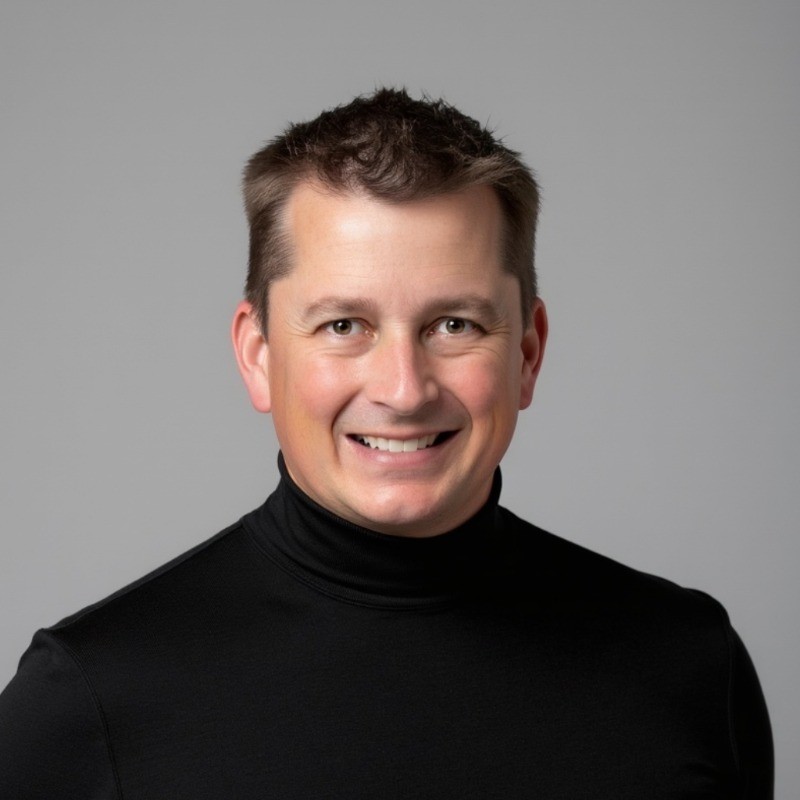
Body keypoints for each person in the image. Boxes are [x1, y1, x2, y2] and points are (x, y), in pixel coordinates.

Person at [0, 88, 772, 798]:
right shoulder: (91, 701)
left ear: (528, 352)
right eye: (345, 325)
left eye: (454, 324)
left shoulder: (687, 668)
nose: (404, 390)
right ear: (258, 355)